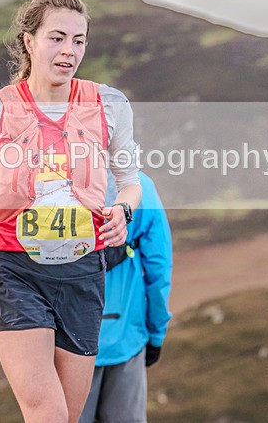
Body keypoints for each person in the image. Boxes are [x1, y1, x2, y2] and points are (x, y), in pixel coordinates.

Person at [0, 0, 141, 422]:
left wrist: (123, 211)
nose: (69, 51)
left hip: (83, 275)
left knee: (68, 415)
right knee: (48, 413)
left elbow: (130, 184)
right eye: (56, 38)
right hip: (16, 272)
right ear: (29, 41)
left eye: (79, 40)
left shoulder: (110, 105)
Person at [79, 170, 173, 423]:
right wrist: (156, 333)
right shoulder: (142, 189)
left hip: (69, 345)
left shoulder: (52, 186)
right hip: (127, 338)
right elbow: (158, 270)